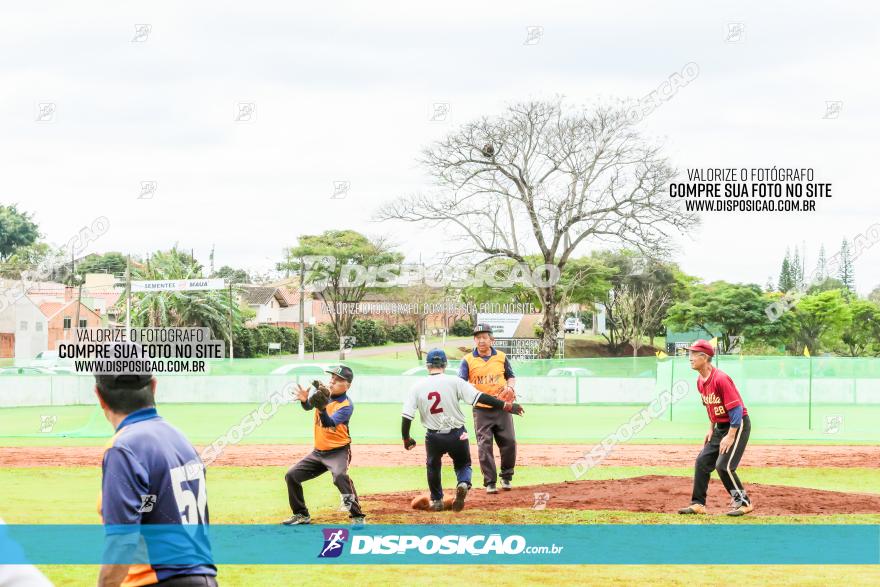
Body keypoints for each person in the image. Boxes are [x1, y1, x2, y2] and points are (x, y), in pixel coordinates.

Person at [95, 370, 217, 587]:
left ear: (99, 397)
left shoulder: (123, 448)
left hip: (156, 580)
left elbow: (122, 543)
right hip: (205, 579)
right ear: (153, 387)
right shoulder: (180, 440)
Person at [402, 349, 524, 512]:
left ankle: (437, 500)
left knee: (433, 466)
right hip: (457, 434)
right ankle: (463, 483)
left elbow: (407, 416)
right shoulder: (455, 381)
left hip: (433, 436)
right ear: (445, 364)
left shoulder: (417, 386)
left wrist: (406, 438)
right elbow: (480, 397)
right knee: (463, 465)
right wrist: (506, 405)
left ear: (427, 366)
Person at [677, 339, 754, 517]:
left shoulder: (720, 378)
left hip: (737, 424)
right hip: (720, 426)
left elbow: (736, 409)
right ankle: (698, 504)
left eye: (693, 354)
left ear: (704, 357)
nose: (690, 357)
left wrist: (731, 434)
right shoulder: (700, 381)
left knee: (724, 466)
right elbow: (710, 407)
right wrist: (711, 428)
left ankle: (744, 503)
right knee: (702, 462)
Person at [283, 365, 365, 526]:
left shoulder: (346, 405)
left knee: (340, 477)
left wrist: (321, 408)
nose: (332, 381)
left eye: (338, 379)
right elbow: (308, 407)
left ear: (348, 385)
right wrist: (305, 400)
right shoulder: (323, 394)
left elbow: (329, 423)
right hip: (318, 452)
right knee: (291, 475)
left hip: (339, 452)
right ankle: (301, 514)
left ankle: (357, 516)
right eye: (332, 377)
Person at [459, 323, 518, 493]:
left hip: (502, 407)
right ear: (474, 340)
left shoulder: (501, 356)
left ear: (492, 339)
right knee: (484, 445)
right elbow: (461, 383)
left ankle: (506, 476)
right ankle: (490, 482)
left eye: (485, 337)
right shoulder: (468, 360)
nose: (481, 340)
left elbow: (511, 377)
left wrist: (511, 388)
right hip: (481, 409)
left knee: (509, 442)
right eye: (478, 337)